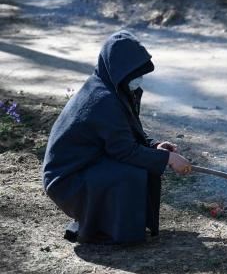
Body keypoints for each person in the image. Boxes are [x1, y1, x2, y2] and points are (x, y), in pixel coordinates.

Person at [42, 30, 192, 244]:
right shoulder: (103, 99)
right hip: (66, 179)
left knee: (141, 165)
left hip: (88, 162)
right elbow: (124, 150)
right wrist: (169, 159)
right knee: (130, 174)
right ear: (119, 70)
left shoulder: (113, 87)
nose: (138, 78)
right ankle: (106, 230)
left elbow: (126, 133)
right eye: (133, 72)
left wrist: (154, 146)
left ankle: (114, 224)